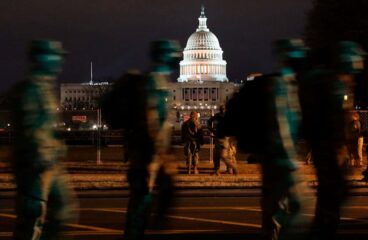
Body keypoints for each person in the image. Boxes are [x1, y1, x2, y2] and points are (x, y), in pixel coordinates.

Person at [220, 39, 307, 240]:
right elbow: (280, 126)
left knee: (282, 210)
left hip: (279, 159)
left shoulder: (289, 84)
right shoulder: (277, 86)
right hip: (279, 160)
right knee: (282, 210)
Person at [9, 39, 77, 240]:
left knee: (63, 210)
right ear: (40, 59)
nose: (58, 61)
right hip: (35, 166)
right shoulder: (29, 90)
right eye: (54, 56)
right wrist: (46, 152)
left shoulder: (45, 89)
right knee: (32, 220)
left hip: (50, 164)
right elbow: (31, 131)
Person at [298, 40, 365, 240]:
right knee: (330, 201)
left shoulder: (326, 81)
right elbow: (333, 119)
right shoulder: (332, 84)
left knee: (329, 201)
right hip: (329, 150)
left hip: (327, 149)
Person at [120, 40, 182, 240]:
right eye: (172, 54)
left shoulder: (161, 81)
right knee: (141, 207)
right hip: (147, 158)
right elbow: (151, 121)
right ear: (163, 56)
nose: (176, 58)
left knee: (161, 198)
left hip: (154, 156)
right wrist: (159, 154)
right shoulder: (152, 82)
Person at [207, 106, 237, 175]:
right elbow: (209, 121)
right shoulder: (219, 116)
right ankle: (222, 169)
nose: (222, 111)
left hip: (225, 138)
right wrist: (211, 130)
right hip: (224, 137)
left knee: (224, 155)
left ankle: (229, 168)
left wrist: (212, 130)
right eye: (221, 109)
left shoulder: (227, 117)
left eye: (223, 109)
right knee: (222, 155)